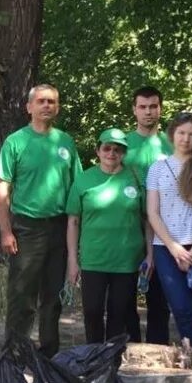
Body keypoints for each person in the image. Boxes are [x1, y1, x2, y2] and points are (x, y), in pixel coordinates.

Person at [0, 84, 82, 356]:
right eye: (41, 101)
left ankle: (49, 354)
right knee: (22, 295)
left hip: (59, 227)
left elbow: (77, 189)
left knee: (53, 296)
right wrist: (6, 231)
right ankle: (15, 353)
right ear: (29, 107)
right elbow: (1, 190)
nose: (47, 106)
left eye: (52, 102)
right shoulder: (16, 142)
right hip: (27, 227)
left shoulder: (65, 142)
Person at [145, 112, 192, 361]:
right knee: (181, 308)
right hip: (166, 248)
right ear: (172, 134)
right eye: (181, 133)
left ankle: (191, 361)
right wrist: (175, 248)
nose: (185, 139)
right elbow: (153, 213)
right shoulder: (157, 168)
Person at [66, 128, 151, 344]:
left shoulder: (136, 176)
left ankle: (112, 361)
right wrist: (73, 261)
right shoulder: (84, 179)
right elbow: (73, 221)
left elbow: (147, 219)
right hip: (94, 258)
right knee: (92, 311)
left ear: (124, 152)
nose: (112, 153)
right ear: (98, 150)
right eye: (107, 148)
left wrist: (151, 255)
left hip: (126, 260)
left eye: (118, 149)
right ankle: (93, 357)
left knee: (118, 313)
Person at [124, 86, 173, 344]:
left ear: (160, 109)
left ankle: (158, 348)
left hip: (164, 227)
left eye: (153, 106)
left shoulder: (172, 144)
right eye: (142, 107)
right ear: (134, 110)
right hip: (129, 226)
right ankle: (130, 349)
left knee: (159, 296)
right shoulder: (123, 144)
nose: (148, 112)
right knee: (125, 292)